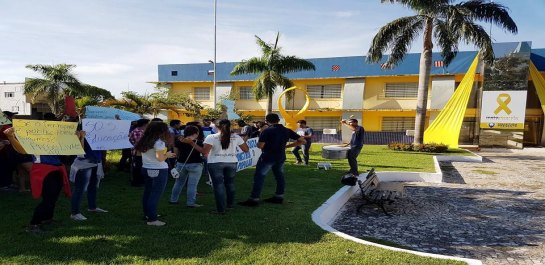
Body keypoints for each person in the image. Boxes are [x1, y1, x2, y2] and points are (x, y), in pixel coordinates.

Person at [4, 113, 72, 233]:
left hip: (57, 170)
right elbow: (22, 150)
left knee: (53, 197)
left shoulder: (54, 139)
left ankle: (47, 218)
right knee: (48, 199)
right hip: (44, 171)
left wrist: (78, 137)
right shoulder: (35, 139)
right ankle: (33, 224)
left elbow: (67, 153)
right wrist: (11, 137)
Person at [238, 114, 305, 207]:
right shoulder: (286, 130)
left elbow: (260, 146)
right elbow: (302, 141)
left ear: (266, 120)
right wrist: (287, 146)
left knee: (259, 177)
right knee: (279, 177)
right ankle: (279, 196)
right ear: (278, 120)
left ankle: (254, 199)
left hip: (267, 157)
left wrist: (260, 139)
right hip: (280, 156)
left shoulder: (267, 131)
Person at [135, 121, 176, 226]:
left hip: (146, 168)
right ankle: (152, 219)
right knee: (155, 195)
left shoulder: (145, 140)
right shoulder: (159, 142)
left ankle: (148, 214)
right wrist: (168, 154)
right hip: (158, 169)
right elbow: (160, 158)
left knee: (148, 192)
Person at [203, 119, 249, 214]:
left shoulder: (211, 137)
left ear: (216, 127)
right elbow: (246, 149)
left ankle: (221, 209)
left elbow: (204, 152)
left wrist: (192, 143)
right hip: (231, 162)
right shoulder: (236, 137)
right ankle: (230, 205)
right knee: (230, 184)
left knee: (218, 186)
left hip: (215, 163)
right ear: (229, 126)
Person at [69, 130, 107, 221]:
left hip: (95, 162)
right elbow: (79, 151)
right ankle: (74, 213)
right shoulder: (79, 133)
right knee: (80, 189)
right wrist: (81, 137)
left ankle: (92, 207)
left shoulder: (98, 133)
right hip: (84, 164)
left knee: (92, 186)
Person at [169, 125, 205, 207]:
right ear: (196, 133)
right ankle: (190, 203)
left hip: (181, 164)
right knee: (192, 185)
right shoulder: (199, 142)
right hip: (196, 164)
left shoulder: (178, 142)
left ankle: (173, 200)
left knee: (178, 183)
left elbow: (176, 154)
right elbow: (203, 153)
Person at [129, 119, 150, 187]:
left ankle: (140, 181)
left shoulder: (142, 131)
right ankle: (136, 182)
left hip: (141, 153)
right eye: (148, 123)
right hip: (138, 153)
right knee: (138, 167)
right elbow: (139, 143)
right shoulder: (137, 131)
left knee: (140, 166)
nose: (149, 125)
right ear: (144, 124)